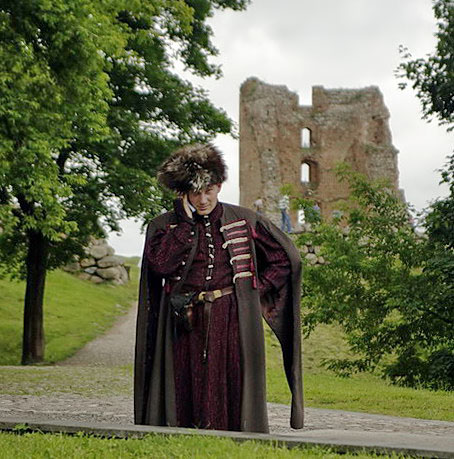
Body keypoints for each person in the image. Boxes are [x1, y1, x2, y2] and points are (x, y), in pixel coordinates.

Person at [134, 144, 303, 433]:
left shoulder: (245, 219)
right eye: (195, 193)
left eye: (208, 191)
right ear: (183, 193)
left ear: (219, 186)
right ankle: (184, 431)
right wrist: (185, 224)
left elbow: (286, 259)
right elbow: (160, 266)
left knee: (228, 374)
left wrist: (254, 291)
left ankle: (229, 431)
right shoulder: (164, 226)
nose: (203, 200)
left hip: (231, 314)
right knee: (183, 374)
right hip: (183, 317)